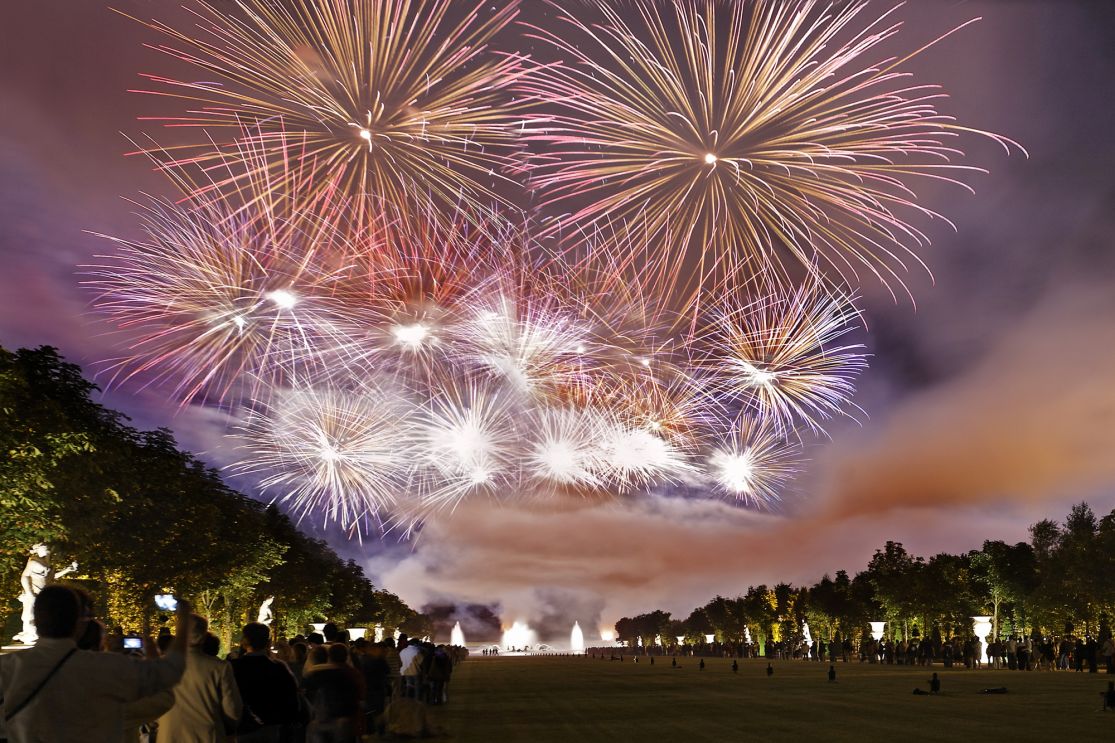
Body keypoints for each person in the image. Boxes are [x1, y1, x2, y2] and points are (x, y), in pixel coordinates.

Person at [0, 585, 189, 742]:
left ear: (35, 620)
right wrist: (183, 620)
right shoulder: (107, 668)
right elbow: (171, 670)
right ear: (78, 623)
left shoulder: (7, 667)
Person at [156, 614, 243, 742]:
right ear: (203, 636)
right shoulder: (220, 667)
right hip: (208, 736)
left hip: (170, 736)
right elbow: (233, 710)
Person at [231, 622, 302, 743]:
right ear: (268, 642)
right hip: (271, 727)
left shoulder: (233, 667)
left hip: (242, 727)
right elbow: (292, 699)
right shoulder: (278, 667)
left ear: (244, 641)